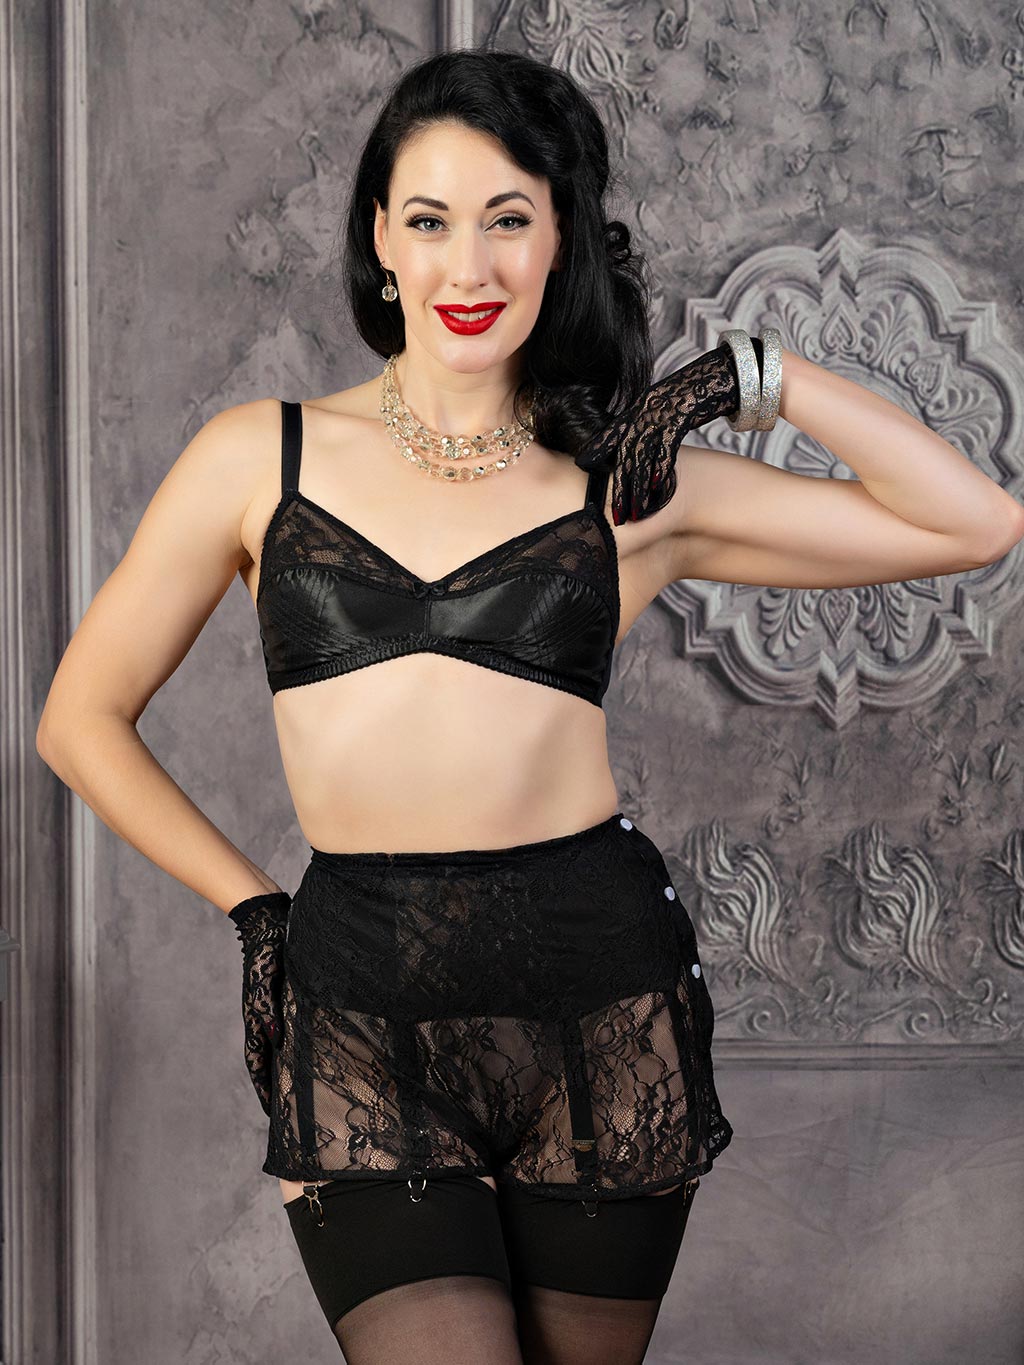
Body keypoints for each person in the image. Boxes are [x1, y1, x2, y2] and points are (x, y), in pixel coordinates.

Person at [35, 46, 1024, 1365]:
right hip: (361, 1005)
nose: (470, 265)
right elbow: (79, 720)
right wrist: (254, 908)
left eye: (509, 219)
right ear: (380, 241)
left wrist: (754, 377)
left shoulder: (628, 485)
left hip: (600, 999)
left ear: (562, 240)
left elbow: (975, 522)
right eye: (430, 220)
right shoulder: (258, 458)